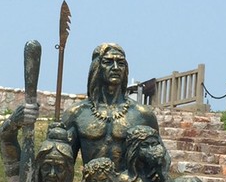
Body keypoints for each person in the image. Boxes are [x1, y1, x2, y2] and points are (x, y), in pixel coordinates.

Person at [59, 44, 159, 172]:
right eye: (108, 62)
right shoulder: (76, 113)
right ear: (97, 67)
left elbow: (159, 160)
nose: (116, 67)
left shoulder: (143, 115)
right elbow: (62, 164)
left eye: (121, 63)